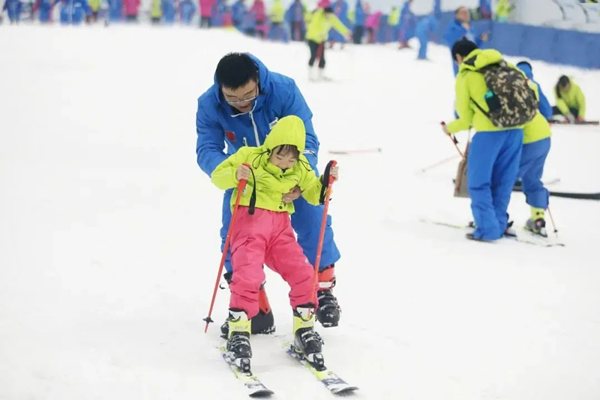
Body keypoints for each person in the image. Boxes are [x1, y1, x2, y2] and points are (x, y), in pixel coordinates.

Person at [195, 53, 342, 337]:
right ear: (221, 90)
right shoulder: (208, 105)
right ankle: (255, 307)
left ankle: (322, 290)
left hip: (290, 172)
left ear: (258, 82)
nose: (244, 103)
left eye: (249, 95)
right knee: (233, 236)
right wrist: (230, 170)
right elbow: (207, 150)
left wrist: (301, 173)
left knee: (314, 220)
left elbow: (307, 136)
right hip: (248, 181)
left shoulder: (283, 89)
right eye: (234, 99)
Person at [212, 115, 338, 371]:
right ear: (271, 147)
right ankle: (239, 331)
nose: (285, 164)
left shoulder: (300, 167)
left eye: (291, 159)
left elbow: (314, 195)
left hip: (280, 231)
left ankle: (304, 330)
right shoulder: (250, 156)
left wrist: (325, 182)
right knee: (248, 275)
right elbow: (218, 177)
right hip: (249, 228)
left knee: (303, 273)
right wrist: (236, 174)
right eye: (280, 157)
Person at [442, 40, 530, 242]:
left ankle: (487, 229)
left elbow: (466, 118)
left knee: (479, 183)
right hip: (516, 131)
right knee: (503, 182)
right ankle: (498, 225)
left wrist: (449, 128)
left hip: (489, 134)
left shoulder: (467, 75)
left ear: (458, 57)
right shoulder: (503, 64)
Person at [516, 61, 552, 237]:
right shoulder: (534, 84)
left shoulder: (511, 83)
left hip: (527, 138)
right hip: (544, 135)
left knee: (505, 178)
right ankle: (538, 218)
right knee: (533, 178)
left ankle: (491, 216)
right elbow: (548, 111)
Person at [306, 1, 351, 81]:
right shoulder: (318, 15)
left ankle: (320, 75)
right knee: (313, 56)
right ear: (325, 13)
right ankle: (310, 74)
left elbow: (338, 25)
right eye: (328, 15)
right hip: (312, 38)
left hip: (322, 40)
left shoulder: (331, 17)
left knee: (322, 58)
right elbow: (313, 26)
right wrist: (318, 34)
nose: (329, 16)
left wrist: (346, 32)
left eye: (330, 15)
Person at [443, 6, 488, 75]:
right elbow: (450, 39)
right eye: (463, 12)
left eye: (467, 12)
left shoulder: (471, 28)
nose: (466, 14)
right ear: (457, 15)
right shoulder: (453, 27)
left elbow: (474, 45)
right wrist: (463, 29)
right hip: (461, 62)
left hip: (474, 61)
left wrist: (481, 40)